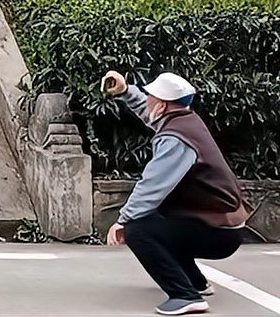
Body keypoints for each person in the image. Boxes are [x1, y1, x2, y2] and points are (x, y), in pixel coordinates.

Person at [102, 70, 249, 316]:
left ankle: (184, 295)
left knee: (139, 229)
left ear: (161, 104)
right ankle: (196, 283)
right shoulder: (185, 120)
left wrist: (122, 220)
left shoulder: (175, 139)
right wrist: (126, 91)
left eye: (150, 96)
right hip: (222, 224)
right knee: (160, 220)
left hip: (219, 232)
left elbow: (153, 185)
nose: (146, 99)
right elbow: (150, 114)